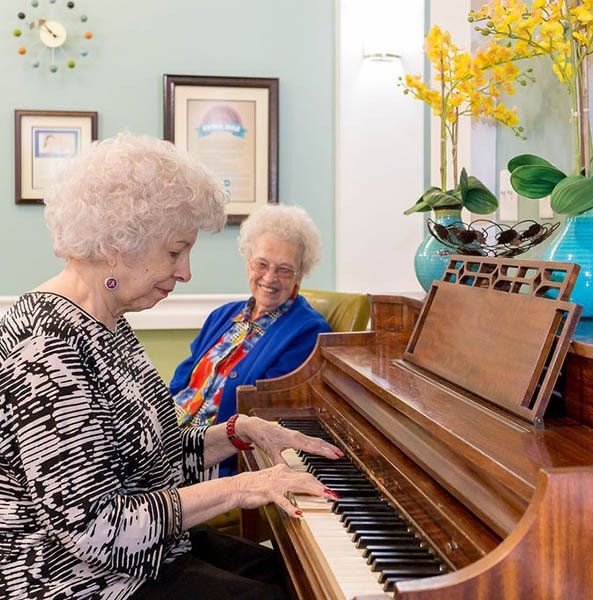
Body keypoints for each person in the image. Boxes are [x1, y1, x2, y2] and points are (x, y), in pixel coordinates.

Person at [0, 133, 342, 600]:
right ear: (118, 244)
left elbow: (149, 458)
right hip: (79, 580)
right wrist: (242, 488)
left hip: (152, 552)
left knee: (306, 579)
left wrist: (238, 433)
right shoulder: (44, 349)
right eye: (175, 250)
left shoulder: (106, 320)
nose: (186, 272)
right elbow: (94, 528)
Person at [170, 204, 331, 476]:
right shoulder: (222, 316)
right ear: (248, 263)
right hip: (174, 441)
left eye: (284, 269)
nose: (269, 278)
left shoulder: (309, 332)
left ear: (300, 274)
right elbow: (180, 382)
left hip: (218, 462)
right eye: (262, 264)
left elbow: (264, 413)